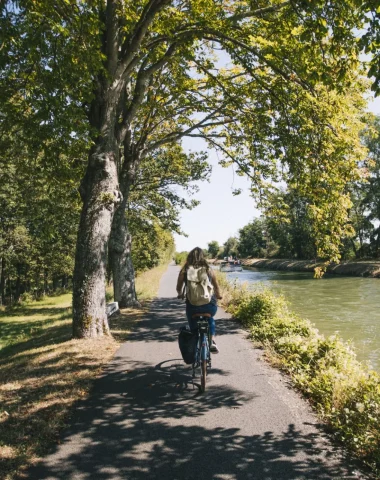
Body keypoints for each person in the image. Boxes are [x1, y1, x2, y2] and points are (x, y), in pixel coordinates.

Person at [176, 247, 222, 353]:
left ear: (190, 257)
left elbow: (178, 287)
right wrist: (219, 296)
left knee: (192, 323)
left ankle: (195, 341)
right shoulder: (209, 269)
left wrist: (180, 294)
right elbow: (216, 287)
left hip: (192, 306)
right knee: (210, 317)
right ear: (203, 257)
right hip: (209, 305)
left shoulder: (185, 270)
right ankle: (212, 341)